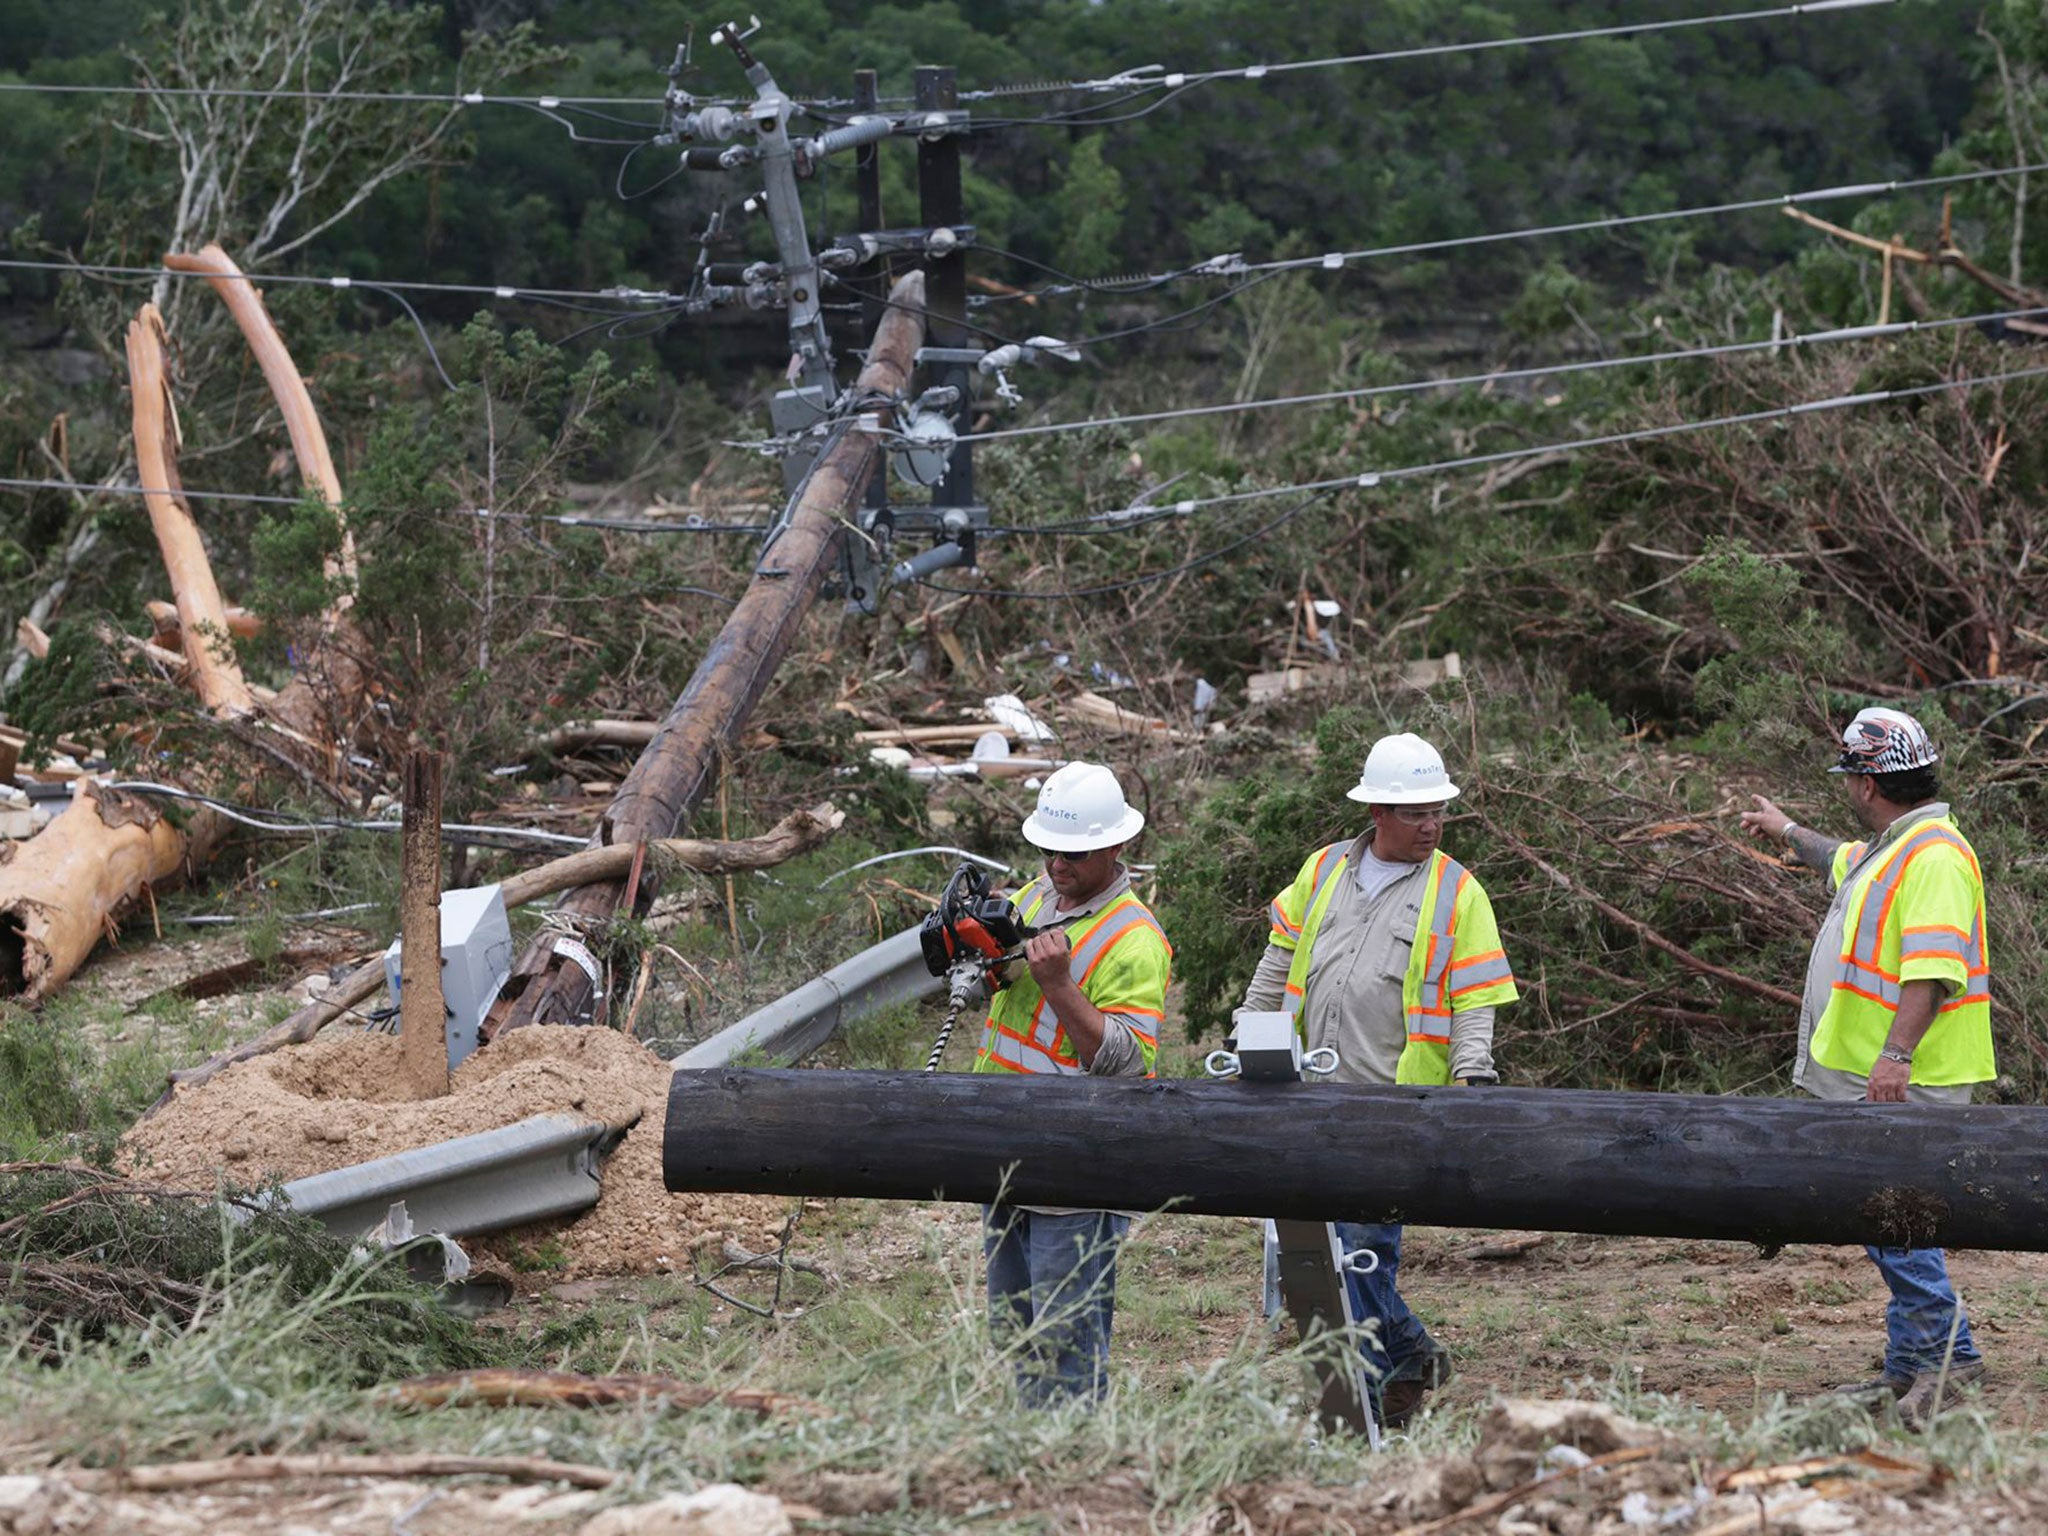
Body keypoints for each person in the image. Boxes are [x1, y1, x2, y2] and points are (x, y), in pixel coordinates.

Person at [1238, 732, 1517, 1427]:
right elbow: (1279, 961)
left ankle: (1354, 1408)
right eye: (1416, 812)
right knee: (1316, 1252)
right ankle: (1408, 1356)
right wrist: (1249, 1032)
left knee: (1360, 1257)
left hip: (1392, 1109)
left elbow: (1474, 1000)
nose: (1431, 825)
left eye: (1439, 812)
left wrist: (1473, 1080)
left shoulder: (1459, 891)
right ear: (1378, 814)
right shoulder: (1324, 869)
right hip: (1303, 1093)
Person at [1739, 706, 1994, 1429]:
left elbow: (1935, 972)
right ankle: (1908, 1368)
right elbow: (1839, 860)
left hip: (1906, 1077)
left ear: (1868, 782)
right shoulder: (1895, 847)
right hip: (1874, 1075)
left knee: (1898, 1217)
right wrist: (1786, 830)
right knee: (1886, 1217)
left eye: (1852, 774)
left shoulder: (1935, 856)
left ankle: (1952, 1360)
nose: (1847, 786)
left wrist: (1895, 1056)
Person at [972, 761, 1173, 1405]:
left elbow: (1127, 1064)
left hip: (1075, 1166)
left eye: (1074, 852)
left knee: (1065, 1338)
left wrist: (1059, 984)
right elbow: (1000, 990)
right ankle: (1036, 1452)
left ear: (1115, 846)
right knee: (1016, 1328)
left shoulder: (1134, 939)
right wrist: (984, 961)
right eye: (1048, 848)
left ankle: (1073, 1457)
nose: (1057, 864)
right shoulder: (1036, 897)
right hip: (1005, 1146)